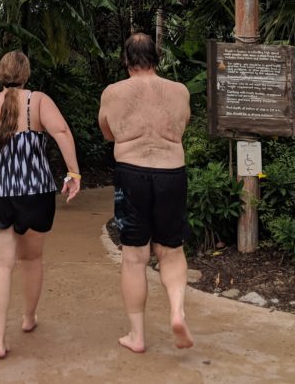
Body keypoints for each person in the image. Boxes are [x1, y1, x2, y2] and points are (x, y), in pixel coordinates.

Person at [0, 50, 82, 360]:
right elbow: (61, 131)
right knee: (32, 260)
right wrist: (73, 171)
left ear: (0, 74)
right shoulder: (38, 101)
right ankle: (29, 318)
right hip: (34, 192)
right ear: (26, 74)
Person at [99, 32, 193, 353]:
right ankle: (177, 312)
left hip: (132, 174)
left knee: (134, 257)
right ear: (157, 57)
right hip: (172, 174)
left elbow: (107, 131)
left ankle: (137, 336)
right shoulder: (179, 91)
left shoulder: (113, 92)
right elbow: (182, 125)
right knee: (171, 250)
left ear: (126, 60)